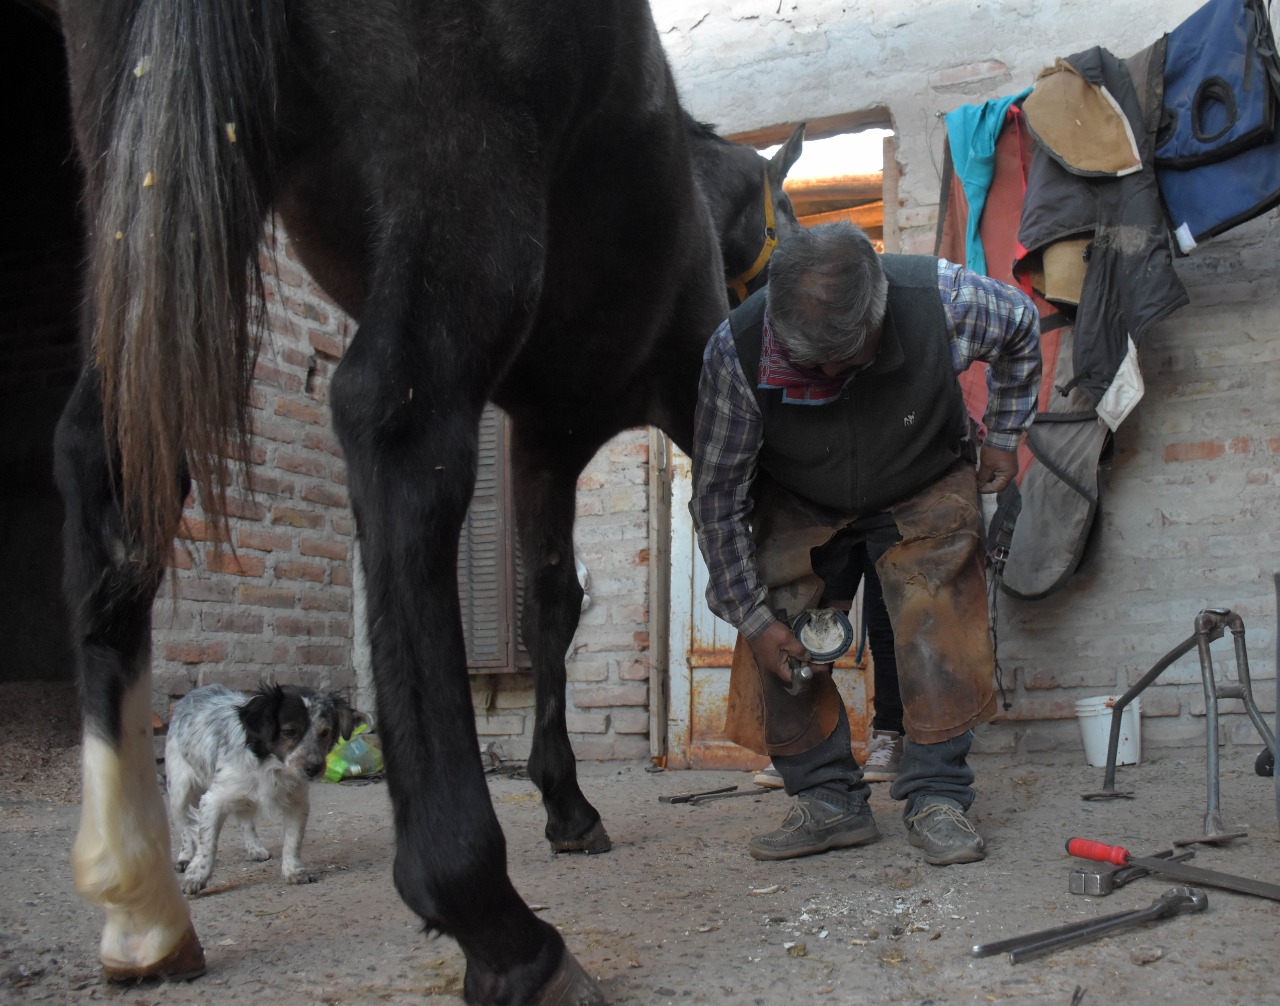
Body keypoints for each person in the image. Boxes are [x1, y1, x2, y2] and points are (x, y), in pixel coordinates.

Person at [691, 221, 1039, 866]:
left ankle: (937, 797)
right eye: (808, 362)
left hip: (923, 473)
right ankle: (826, 801)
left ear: (879, 307)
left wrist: (1004, 435)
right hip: (800, 492)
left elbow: (1021, 325)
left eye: (844, 357)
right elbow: (717, 500)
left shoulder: (943, 299)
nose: (826, 373)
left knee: (939, 622)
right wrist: (754, 619)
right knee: (781, 621)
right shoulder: (734, 353)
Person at [753, 549, 903, 788]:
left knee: (887, 625)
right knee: (816, 624)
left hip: (888, 518)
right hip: (835, 520)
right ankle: (803, 744)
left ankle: (890, 736)